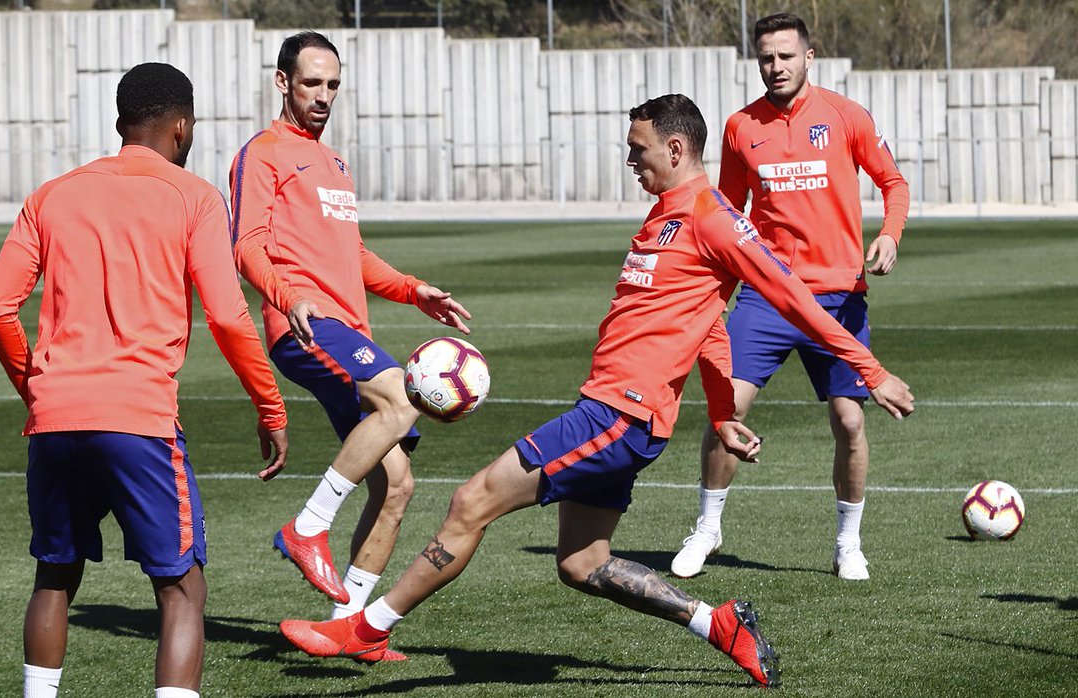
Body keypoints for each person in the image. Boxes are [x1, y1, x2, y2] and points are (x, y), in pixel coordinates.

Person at [278, 93, 915, 688]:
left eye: (637, 150)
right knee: (583, 564)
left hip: (617, 415)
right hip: (618, 412)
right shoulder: (667, 212)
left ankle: (364, 630)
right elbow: (709, 323)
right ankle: (717, 623)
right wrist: (722, 413)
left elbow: (794, 298)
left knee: (472, 501)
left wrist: (871, 370)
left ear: (674, 150)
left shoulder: (713, 217)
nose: (630, 160)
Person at [0, 63, 290, 698]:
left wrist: (36, 387)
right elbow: (230, 319)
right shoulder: (194, 195)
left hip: (56, 419)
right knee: (181, 588)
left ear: (121, 122)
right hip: (138, 420)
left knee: (55, 574)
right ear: (181, 125)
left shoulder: (52, 193)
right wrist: (271, 409)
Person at [228, 30, 471, 633]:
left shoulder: (334, 162)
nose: (324, 95)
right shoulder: (262, 153)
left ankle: (348, 622)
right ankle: (307, 526)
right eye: (312, 82)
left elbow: (353, 255)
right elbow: (246, 246)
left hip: (345, 329)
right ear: (283, 82)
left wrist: (415, 291)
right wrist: (290, 298)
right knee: (400, 396)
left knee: (397, 484)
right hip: (306, 328)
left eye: (333, 85)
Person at [670, 12, 912, 582]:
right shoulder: (738, 127)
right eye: (766, 58)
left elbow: (893, 183)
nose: (775, 67)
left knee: (850, 423)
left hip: (837, 297)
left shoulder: (846, 117)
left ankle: (848, 544)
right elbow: (725, 215)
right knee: (726, 408)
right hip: (765, 297)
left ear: (809, 57)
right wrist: (711, 296)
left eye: (785, 56)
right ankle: (707, 528)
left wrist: (889, 234)